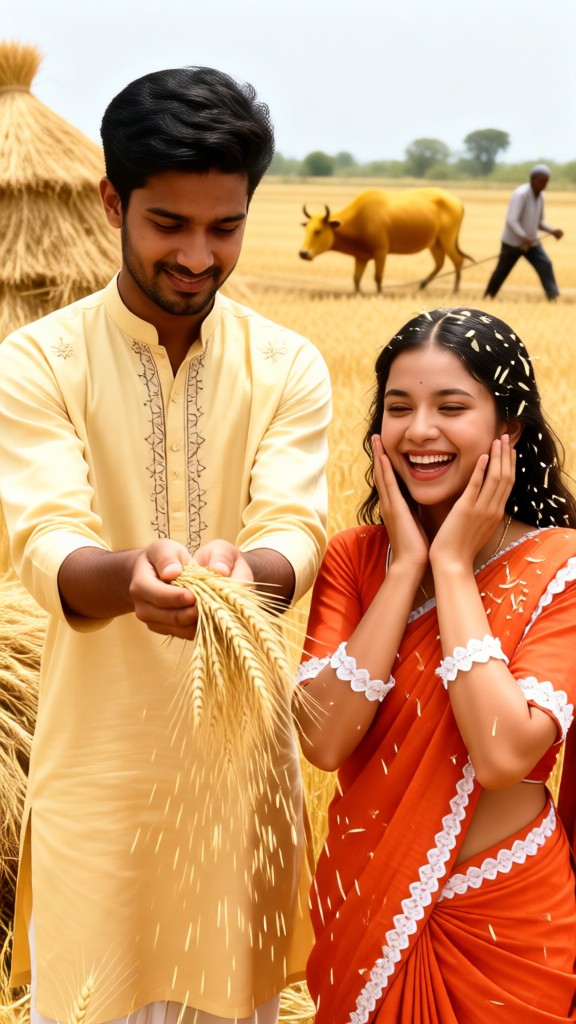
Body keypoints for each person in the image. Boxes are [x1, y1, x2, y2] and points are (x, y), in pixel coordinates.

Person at [0, 67, 331, 1024]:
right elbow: (43, 534)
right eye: (168, 224)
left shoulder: (286, 367)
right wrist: (129, 577)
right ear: (113, 201)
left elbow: (292, 531)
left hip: (240, 786)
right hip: (96, 778)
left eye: (223, 227)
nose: (197, 255)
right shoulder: (36, 362)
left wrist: (243, 575)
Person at [294, 307, 576, 1023]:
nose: (420, 430)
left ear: (507, 431)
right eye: (398, 407)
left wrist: (450, 565)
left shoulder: (560, 567)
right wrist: (404, 569)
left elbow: (504, 751)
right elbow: (323, 742)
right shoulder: (355, 560)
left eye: (452, 406)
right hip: (363, 902)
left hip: (506, 922)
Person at [484, 164, 564, 300]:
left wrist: (552, 231)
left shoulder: (541, 196)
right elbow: (512, 220)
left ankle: (553, 297)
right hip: (513, 243)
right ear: (532, 179)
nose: (544, 184)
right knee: (502, 271)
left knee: (545, 264)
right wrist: (523, 237)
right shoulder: (521, 194)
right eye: (541, 180)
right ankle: (488, 296)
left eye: (546, 181)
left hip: (531, 243)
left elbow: (538, 222)